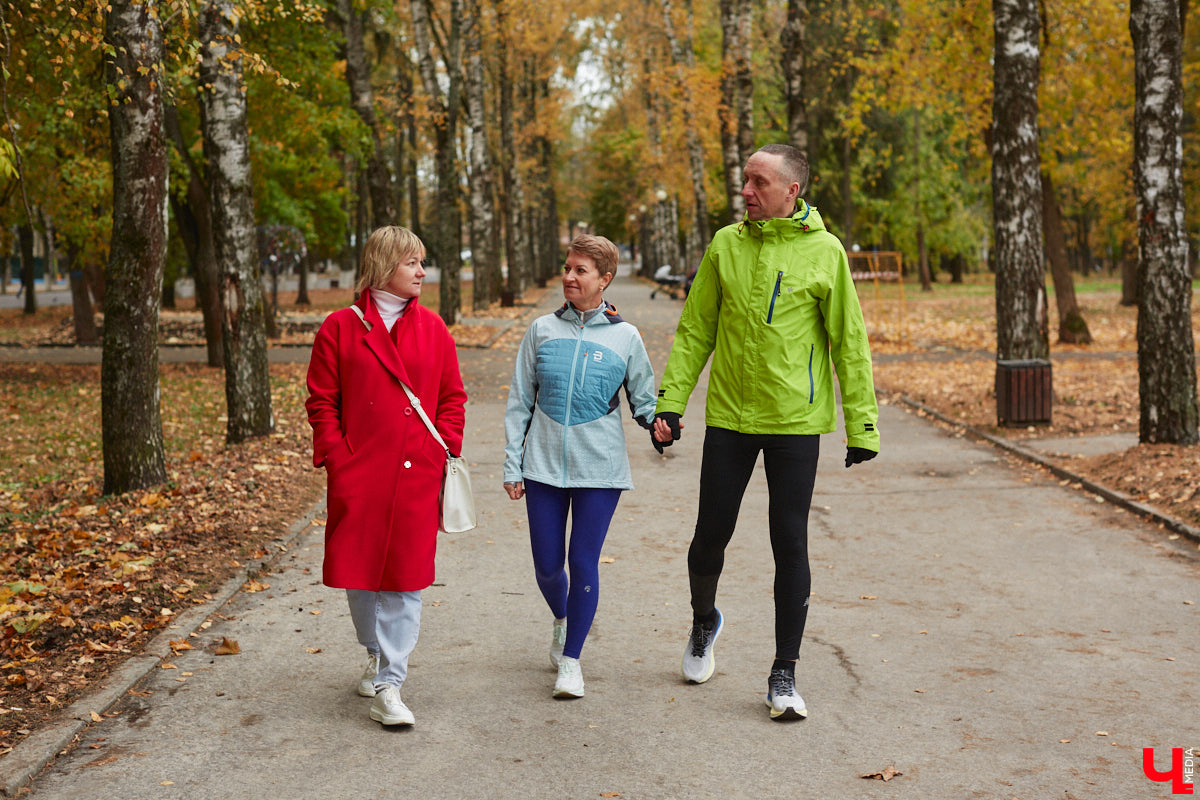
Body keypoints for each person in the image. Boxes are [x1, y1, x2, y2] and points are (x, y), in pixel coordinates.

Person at [651, 143, 880, 721]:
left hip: (795, 423)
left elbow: (848, 343)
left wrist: (862, 424)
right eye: (745, 181)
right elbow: (696, 329)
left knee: (790, 543)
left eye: (758, 182)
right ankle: (705, 621)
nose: (746, 191)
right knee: (710, 536)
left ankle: (785, 671)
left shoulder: (826, 253)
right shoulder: (725, 246)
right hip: (729, 417)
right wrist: (671, 403)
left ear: (791, 191)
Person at [306, 226, 467, 727]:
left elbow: (452, 399)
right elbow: (321, 401)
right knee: (362, 578)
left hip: (417, 471)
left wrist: (441, 451)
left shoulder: (434, 329)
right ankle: (374, 655)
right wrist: (339, 457)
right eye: (412, 263)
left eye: (423, 262)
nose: (423, 272)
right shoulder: (340, 327)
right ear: (383, 266)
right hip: (361, 472)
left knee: (406, 579)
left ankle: (391, 684)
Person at [503, 234, 657, 699]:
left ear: (604, 280)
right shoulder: (540, 332)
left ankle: (571, 661)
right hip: (543, 467)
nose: (568, 277)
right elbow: (518, 404)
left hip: (600, 470)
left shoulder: (626, 337)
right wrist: (513, 465)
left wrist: (659, 425)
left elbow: (645, 398)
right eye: (567, 267)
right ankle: (563, 619)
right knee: (548, 568)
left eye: (580, 270)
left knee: (582, 560)